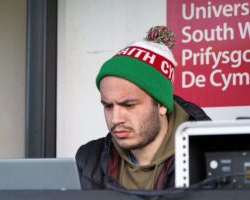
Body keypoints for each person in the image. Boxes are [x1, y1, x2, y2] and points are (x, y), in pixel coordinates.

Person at [75, 26, 210, 190]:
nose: (116, 119)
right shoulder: (89, 159)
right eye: (108, 106)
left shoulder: (207, 159)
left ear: (161, 104)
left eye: (129, 105)